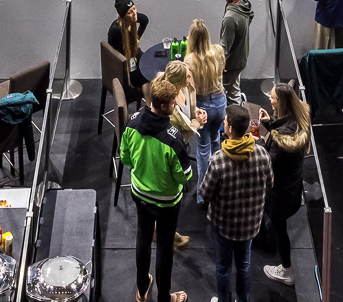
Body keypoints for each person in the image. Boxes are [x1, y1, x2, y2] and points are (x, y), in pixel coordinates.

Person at [122, 76, 195, 302]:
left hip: (139, 195)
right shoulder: (173, 140)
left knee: (143, 238)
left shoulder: (131, 123)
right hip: (167, 203)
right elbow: (185, 178)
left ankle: (142, 290)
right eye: (174, 103)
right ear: (163, 106)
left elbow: (125, 158)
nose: (176, 105)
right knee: (164, 247)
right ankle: (164, 297)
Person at [204, 101, 271, 302]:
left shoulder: (218, 160)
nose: (223, 123)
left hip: (223, 225)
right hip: (250, 225)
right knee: (244, 265)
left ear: (230, 129)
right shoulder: (262, 154)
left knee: (223, 267)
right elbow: (271, 182)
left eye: (225, 121)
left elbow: (205, 194)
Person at [257, 82, 310, 286]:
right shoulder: (298, 119)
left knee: (280, 229)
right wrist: (270, 124)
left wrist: (259, 143)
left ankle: (286, 270)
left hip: (279, 192)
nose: (269, 100)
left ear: (281, 102)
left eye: (272, 98)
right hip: (292, 186)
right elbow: (283, 134)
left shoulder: (282, 140)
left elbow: (269, 164)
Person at [184, 18, 227, 202]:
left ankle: (203, 194)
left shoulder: (189, 59)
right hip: (220, 104)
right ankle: (218, 185)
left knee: (203, 149)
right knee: (216, 142)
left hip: (203, 108)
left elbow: (189, 89)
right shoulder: (218, 51)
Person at [218, 0, 253, 100]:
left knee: (232, 93)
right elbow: (251, 16)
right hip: (241, 56)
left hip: (231, 63)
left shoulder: (230, 18)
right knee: (234, 86)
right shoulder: (243, 3)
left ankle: (237, 111)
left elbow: (224, 48)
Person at [110, 0, 152, 95]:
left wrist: (136, 39)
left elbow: (145, 20)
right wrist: (132, 58)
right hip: (125, 66)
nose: (134, 14)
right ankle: (148, 106)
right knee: (147, 78)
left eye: (134, 9)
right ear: (123, 16)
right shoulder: (116, 31)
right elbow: (119, 57)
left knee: (152, 68)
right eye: (129, 12)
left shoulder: (133, 19)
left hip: (133, 55)